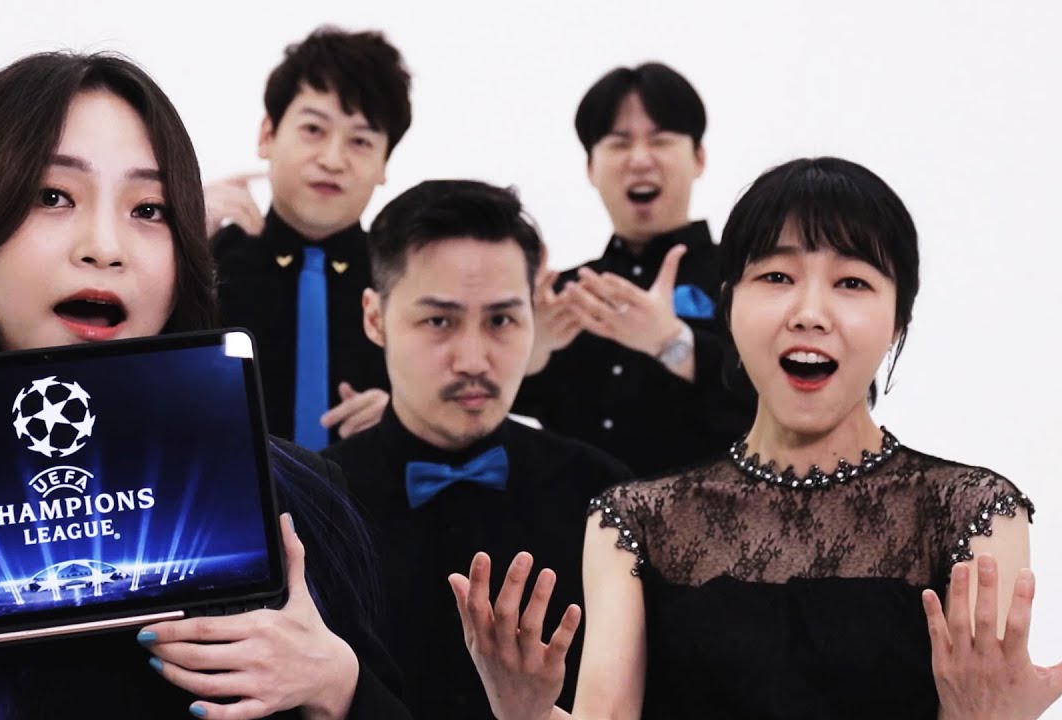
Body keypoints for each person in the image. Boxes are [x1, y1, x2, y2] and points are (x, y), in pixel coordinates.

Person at [0, 51, 409, 720]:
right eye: (53, 197)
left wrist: (337, 688)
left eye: (150, 208)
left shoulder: (305, 501)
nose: (105, 247)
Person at [451, 157, 1062, 719]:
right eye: (776, 276)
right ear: (729, 307)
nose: (809, 312)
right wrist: (527, 712)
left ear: (898, 318)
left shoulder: (972, 512)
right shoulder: (634, 519)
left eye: (852, 282)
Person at [322, 180, 631, 718]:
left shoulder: (603, 496)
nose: (472, 360)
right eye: (439, 321)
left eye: (501, 321)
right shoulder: (313, 505)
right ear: (375, 318)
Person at [514, 62, 752, 478]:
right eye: (619, 143)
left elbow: (778, 400)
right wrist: (531, 349)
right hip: (576, 516)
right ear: (591, 167)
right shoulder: (567, 294)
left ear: (698, 158)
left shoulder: (746, 279)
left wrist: (674, 343)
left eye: (660, 140)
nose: (640, 159)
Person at [207, 26, 412, 450]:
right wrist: (178, 239)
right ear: (267, 135)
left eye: (360, 141)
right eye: (314, 130)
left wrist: (411, 418)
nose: (333, 160)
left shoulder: (409, 282)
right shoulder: (205, 259)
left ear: (384, 164)